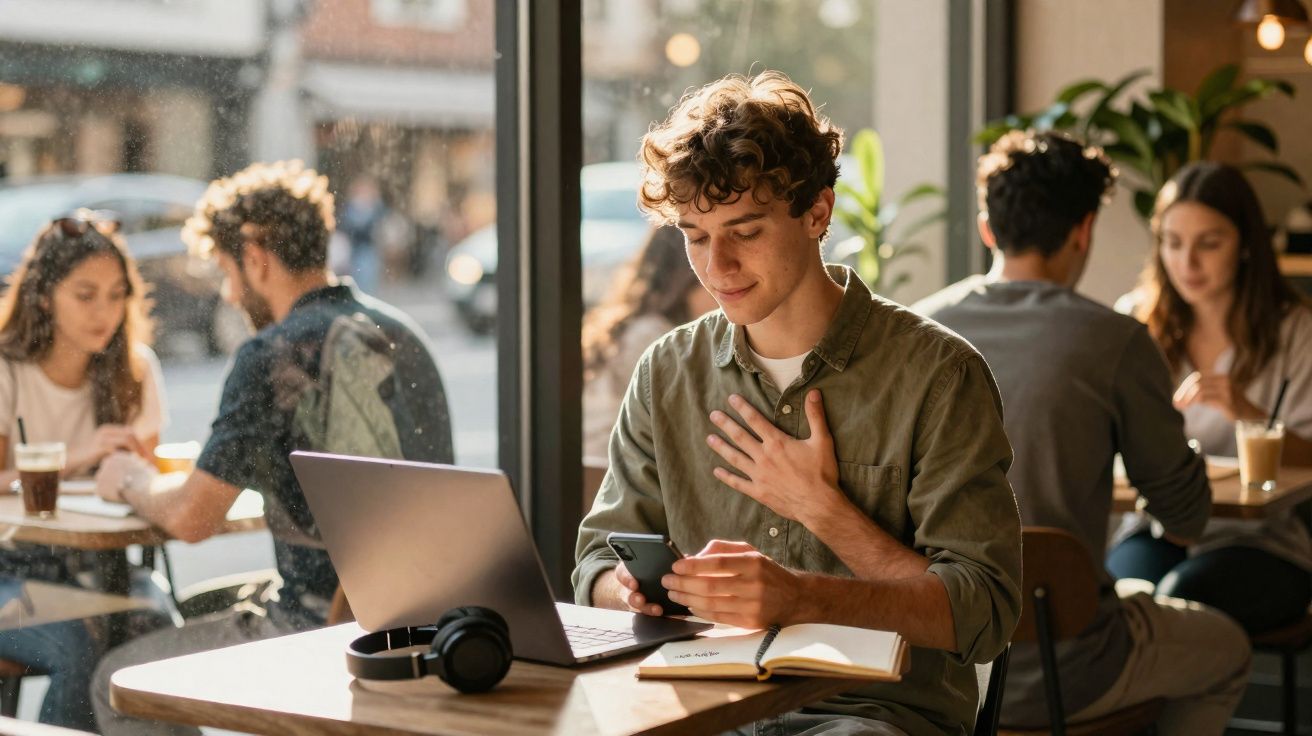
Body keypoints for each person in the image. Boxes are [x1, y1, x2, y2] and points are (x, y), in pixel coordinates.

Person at [573, 71, 1021, 736]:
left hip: (868, 715)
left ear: (818, 213)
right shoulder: (667, 373)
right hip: (698, 709)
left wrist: (818, 531)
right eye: (696, 236)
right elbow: (596, 569)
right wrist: (637, 589)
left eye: (745, 231)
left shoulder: (938, 374)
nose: (717, 265)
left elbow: (982, 612)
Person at [88, 160, 455, 736]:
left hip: (321, 625)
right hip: (423, 624)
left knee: (117, 680)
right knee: (192, 609)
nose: (230, 294)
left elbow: (191, 516)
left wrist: (129, 478)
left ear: (255, 257)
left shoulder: (273, 354)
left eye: (228, 273)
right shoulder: (403, 334)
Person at [913, 132, 1251, 734]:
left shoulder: (915, 331)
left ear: (989, 229)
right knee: (1227, 649)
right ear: (1084, 230)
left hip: (931, 668)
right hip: (1063, 670)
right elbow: (1186, 517)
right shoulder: (1115, 340)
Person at [1106, 162, 1312, 635]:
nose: (1188, 263)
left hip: (1261, 541)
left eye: (1209, 243)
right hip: (1155, 528)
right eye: (1173, 243)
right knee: (1123, 603)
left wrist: (1249, 415)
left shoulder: (1294, 331)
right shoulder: (1134, 324)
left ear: (1244, 245)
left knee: (1178, 608)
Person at [0, 211, 167, 730]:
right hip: (9, 573)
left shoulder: (134, 371)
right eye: (86, 294)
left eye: (118, 295)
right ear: (45, 296)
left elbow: (145, 483)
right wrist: (74, 456)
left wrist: (134, 471)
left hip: (102, 569)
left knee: (158, 630)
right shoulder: (7, 370)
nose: (105, 312)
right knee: (82, 642)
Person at [581, 225, 717, 458]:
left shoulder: (636, 327)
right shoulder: (656, 339)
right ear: (686, 277)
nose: (722, 279)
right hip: (616, 476)